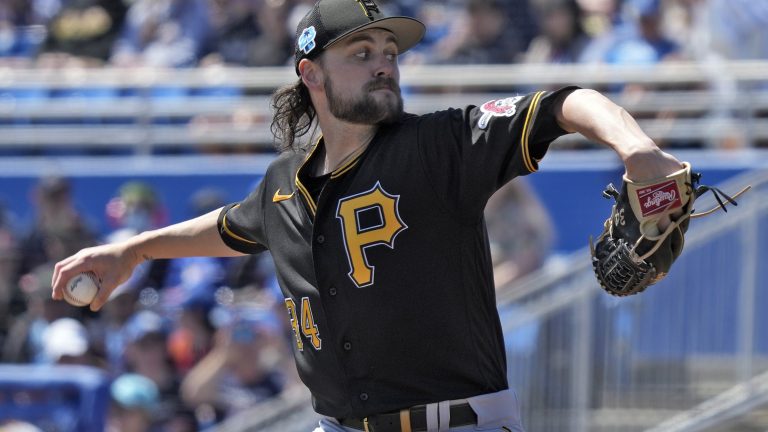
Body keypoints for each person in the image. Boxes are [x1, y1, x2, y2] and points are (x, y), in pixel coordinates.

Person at [52, 1, 688, 431]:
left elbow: (562, 103)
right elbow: (229, 227)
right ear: (313, 74)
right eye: (361, 52)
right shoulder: (284, 185)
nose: (384, 59)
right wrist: (133, 250)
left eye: (390, 49)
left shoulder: (440, 145)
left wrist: (637, 150)